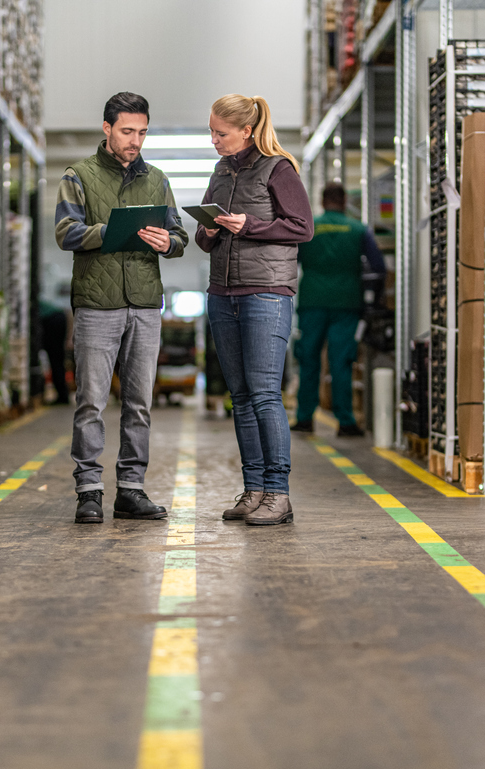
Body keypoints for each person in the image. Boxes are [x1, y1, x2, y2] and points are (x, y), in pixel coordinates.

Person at [55, 92, 188, 525]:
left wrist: (168, 242)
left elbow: (179, 236)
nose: (135, 140)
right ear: (107, 128)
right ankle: (89, 491)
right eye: (128, 131)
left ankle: (131, 491)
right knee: (91, 401)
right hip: (97, 303)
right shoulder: (79, 175)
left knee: (139, 403)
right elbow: (66, 232)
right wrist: (110, 231)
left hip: (146, 304)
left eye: (142, 132)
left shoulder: (158, 179)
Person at [195, 94, 314, 526]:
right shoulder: (220, 171)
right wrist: (208, 230)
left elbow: (303, 227)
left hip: (266, 293)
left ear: (246, 130)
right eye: (211, 131)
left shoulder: (278, 168)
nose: (213, 139)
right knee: (240, 397)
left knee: (264, 394)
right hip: (222, 293)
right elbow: (205, 239)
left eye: (220, 133)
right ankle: (255, 489)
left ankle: (278, 494)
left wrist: (251, 225)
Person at [292, 182, 388, 437]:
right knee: (341, 362)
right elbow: (378, 266)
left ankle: (304, 418)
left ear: (322, 202)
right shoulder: (359, 230)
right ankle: (345, 421)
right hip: (347, 303)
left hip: (312, 301)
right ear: (344, 201)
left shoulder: (308, 229)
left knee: (308, 360)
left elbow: (292, 262)